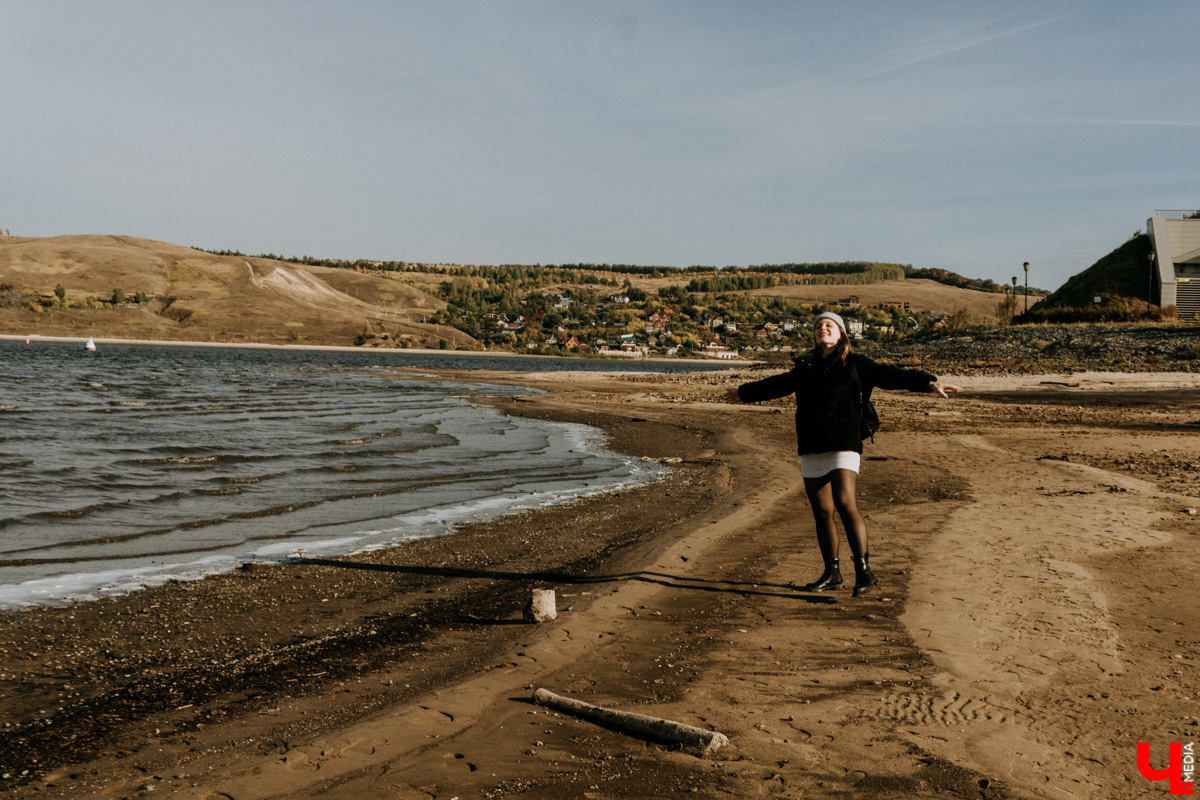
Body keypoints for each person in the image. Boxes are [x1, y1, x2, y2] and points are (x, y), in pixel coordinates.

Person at [723, 312, 961, 596]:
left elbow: (892, 375)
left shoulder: (857, 364)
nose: (822, 329)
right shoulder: (805, 367)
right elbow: (776, 385)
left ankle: (864, 571)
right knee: (822, 511)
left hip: (844, 442)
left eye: (829, 325)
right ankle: (832, 573)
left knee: (845, 502)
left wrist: (929, 383)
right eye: (818, 326)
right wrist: (743, 393)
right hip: (812, 444)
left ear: (841, 334)